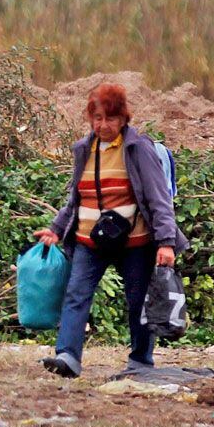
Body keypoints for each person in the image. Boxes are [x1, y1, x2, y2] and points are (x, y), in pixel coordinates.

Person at [34, 83, 188, 378]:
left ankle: (141, 360)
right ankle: (68, 356)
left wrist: (166, 242)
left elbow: (158, 198)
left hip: (135, 242)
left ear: (123, 119)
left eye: (111, 119)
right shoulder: (84, 149)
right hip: (88, 240)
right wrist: (56, 229)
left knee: (137, 301)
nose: (103, 125)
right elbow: (76, 198)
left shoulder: (138, 149)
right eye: (98, 118)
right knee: (76, 294)